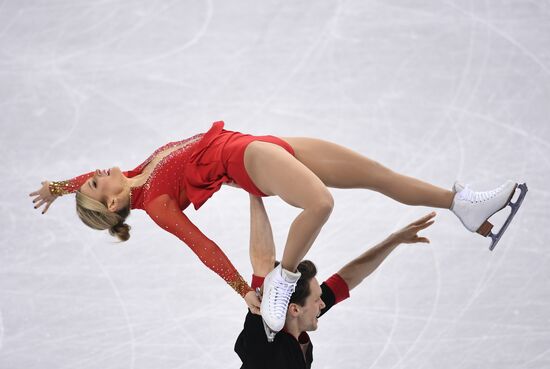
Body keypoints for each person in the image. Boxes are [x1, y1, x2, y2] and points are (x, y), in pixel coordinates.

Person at [29, 121, 524, 335]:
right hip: (245, 158)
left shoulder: (136, 172)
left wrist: (56, 187)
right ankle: (284, 278)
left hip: (261, 141)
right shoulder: (154, 203)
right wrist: (246, 288)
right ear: (114, 202)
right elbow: (200, 243)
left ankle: (462, 205)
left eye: (92, 176)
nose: (95, 173)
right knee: (320, 204)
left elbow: (79, 184)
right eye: (96, 183)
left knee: (377, 175)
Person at [235, 195, 437, 368]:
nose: (322, 304)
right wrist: (253, 191)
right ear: (294, 309)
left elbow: (349, 277)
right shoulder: (263, 340)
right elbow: (262, 263)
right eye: (317, 300)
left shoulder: (297, 316)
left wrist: (394, 240)